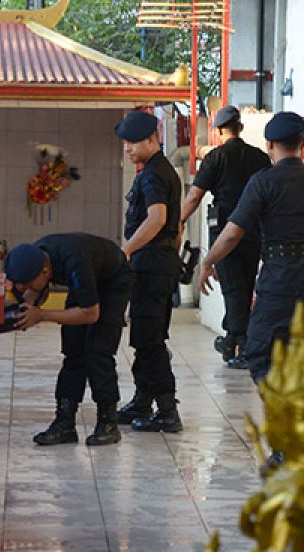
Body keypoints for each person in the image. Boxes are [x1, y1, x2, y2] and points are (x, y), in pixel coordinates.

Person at [197, 111, 304, 383]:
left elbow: (232, 234)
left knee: (259, 350)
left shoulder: (263, 181)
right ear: (302, 144)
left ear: (270, 146)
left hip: (281, 278)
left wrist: (208, 261)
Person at [4, 234, 132, 446]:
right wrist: (23, 311)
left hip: (113, 281)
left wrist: (42, 315)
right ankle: (64, 423)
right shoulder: (35, 255)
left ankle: (108, 423)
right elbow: (34, 293)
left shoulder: (74, 262)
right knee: (73, 350)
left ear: (45, 272)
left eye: (27, 283)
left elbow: (91, 313)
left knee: (98, 350)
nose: (26, 287)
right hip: (87, 279)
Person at [179, 105, 271, 368]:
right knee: (243, 285)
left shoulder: (215, 158)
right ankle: (232, 338)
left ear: (218, 131)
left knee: (232, 288)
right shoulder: (260, 159)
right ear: (240, 128)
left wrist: (179, 221)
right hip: (253, 230)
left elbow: (195, 195)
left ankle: (239, 343)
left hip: (224, 230)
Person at [115, 109, 184, 433]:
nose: (127, 148)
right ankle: (143, 400)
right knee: (144, 335)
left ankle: (168, 410)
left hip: (153, 264)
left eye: (132, 143)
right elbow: (176, 224)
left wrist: (126, 251)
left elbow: (157, 219)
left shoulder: (155, 174)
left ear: (152, 140)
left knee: (150, 338)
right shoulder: (157, 170)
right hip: (157, 263)